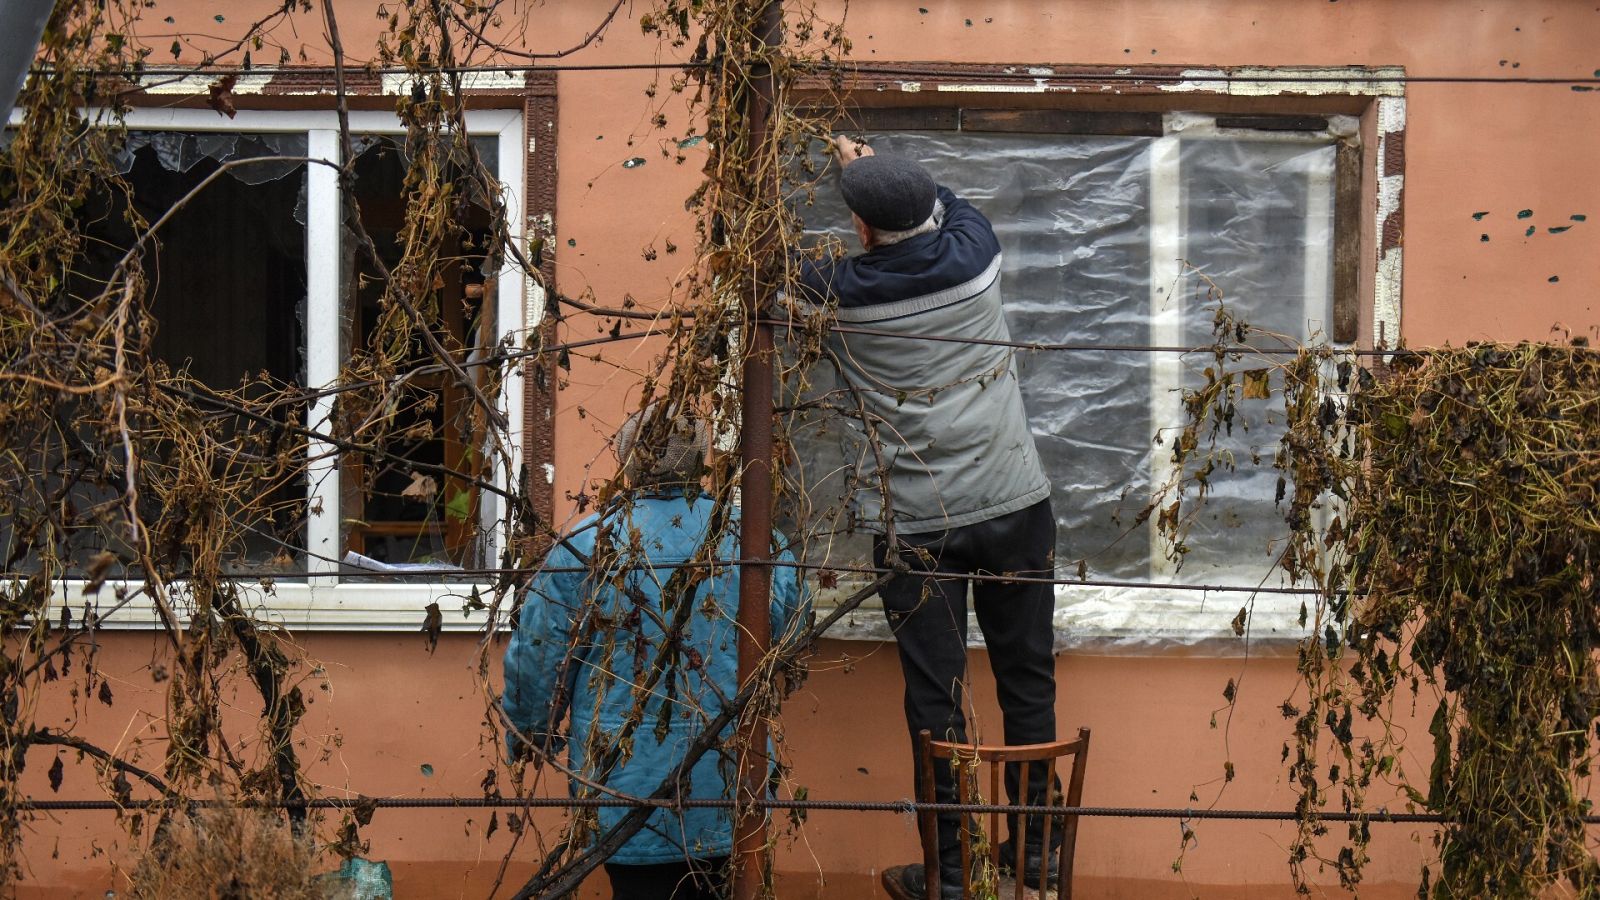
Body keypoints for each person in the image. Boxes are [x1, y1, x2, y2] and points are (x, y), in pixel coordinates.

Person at [794, 137, 1061, 899]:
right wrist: (875, 165)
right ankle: (1036, 855)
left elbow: (764, 276)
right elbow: (951, 205)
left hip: (918, 525)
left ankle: (951, 877)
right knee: (1027, 679)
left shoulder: (837, 292)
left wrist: (853, 174)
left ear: (861, 227)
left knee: (936, 702)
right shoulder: (976, 255)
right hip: (1015, 504)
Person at [502, 405, 806, 900]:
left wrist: (531, 733)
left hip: (623, 786)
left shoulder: (588, 545)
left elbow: (539, 658)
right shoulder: (754, 541)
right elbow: (792, 637)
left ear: (627, 459)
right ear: (701, 460)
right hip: (731, 783)